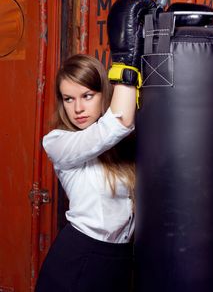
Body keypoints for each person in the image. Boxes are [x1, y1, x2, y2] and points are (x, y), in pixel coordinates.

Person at [35, 54, 137, 292]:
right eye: (68, 99)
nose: (78, 108)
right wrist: (128, 56)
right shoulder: (57, 142)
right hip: (78, 259)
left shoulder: (124, 146)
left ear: (105, 94)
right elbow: (118, 122)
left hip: (121, 262)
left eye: (87, 96)